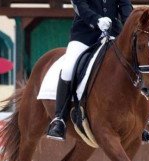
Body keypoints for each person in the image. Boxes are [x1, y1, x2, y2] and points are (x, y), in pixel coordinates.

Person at [46, 0, 133, 141]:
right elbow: (80, 5)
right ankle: (59, 119)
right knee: (68, 69)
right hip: (84, 35)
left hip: (113, 34)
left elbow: (125, 5)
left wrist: (130, 24)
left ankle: (145, 119)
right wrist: (96, 20)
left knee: (133, 65)